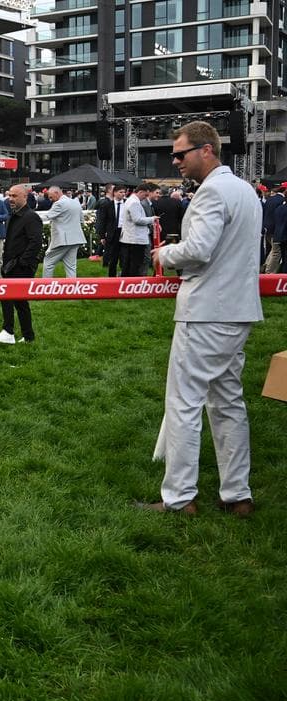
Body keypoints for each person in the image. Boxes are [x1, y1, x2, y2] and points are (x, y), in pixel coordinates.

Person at [139, 122, 263, 517]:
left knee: (184, 404)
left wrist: (165, 255)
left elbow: (199, 250)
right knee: (228, 402)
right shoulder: (244, 190)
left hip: (207, 311)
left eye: (181, 154)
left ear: (206, 150)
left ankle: (179, 498)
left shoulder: (212, 192)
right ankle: (237, 495)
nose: (175, 162)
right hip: (237, 309)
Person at [0, 185, 43, 345]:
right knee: (16, 300)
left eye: (14, 196)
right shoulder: (15, 215)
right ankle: (26, 335)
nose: (10, 199)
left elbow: (36, 242)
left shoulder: (31, 217)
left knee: (13, 299)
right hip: (11, 265)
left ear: (25, 197)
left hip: (20, 267)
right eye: (9, 195)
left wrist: (22, 262)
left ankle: (10, 331)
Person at [43, 185, 85, 278]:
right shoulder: (76, 202)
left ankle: (45, 287)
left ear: (57, 193)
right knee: (71, 267)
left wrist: (31, 218)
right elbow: (82, 220)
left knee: (48, 263)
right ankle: (72, 289)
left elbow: (47, 216)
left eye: (51, 197)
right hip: (76, 238)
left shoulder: (59, 203)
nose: (50, 199)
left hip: (63, 240)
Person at [118, 183, 155, 278]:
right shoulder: (134, 202)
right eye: (145, 195)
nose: (145, 198)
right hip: (135, 239)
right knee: (134, 265)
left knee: (129, 264)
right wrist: (152, 219)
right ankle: (131, 285)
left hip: (132, 238)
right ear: (140, 192)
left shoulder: (131, 201)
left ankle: (127, 284)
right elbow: (137, 219)